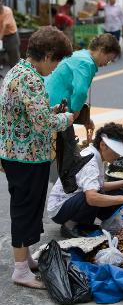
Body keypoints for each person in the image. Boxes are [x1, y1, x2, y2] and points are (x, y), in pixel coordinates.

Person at [0, 26, 74, 289]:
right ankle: (20, 269)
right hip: (26, 156)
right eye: (56, 61)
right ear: (47, 55)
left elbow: (30, 112)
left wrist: (51, 109)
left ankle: (25, 259)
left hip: (19, 153)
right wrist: (66, 117)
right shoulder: (30, 79)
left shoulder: (18, 71)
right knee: (25, 209)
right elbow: (43, 123)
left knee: (29, 208)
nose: (54, 68)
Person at [47, 122, 123, 237]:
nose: (118, 156)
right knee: (92, 196)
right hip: (59, 209)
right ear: (103, 145)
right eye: (116, 151)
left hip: (71, 202)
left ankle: (84, 224)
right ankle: (69, 225)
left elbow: (100, 185)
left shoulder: (97, 155)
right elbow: (92, 198)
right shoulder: (91, 162)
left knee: (117, 192)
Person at [45, 33, 121, 120]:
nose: (107, 63)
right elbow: (80, 92)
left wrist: (86, 119)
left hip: (48, 99)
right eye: (108, 59)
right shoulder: (86, 63)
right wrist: (76, 113)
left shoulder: (82, 54)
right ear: (101, 50)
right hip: (56, 107)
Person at [0, 0, 20, 67]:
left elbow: (4, 26)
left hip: (11, 37)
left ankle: (17, 77)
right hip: (1, 37)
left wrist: (0, 39)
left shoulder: (7, 11)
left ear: (2, 1)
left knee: (14, 60)